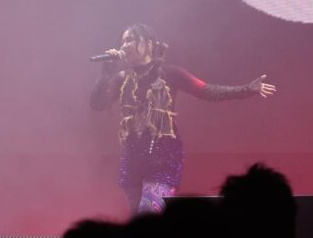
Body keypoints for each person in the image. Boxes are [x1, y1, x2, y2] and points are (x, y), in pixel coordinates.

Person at [90, 24, 275, 213]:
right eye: (122, 41)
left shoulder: (170, 74)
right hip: (132, 161)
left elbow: (208, 91)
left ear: (149, 44)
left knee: (148, 214)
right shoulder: (121, 79)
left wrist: (246, 89)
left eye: (130, 39)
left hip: (162, 159)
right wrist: (105, 74)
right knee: (138, 222)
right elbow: (97, 104)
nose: (124, 45)